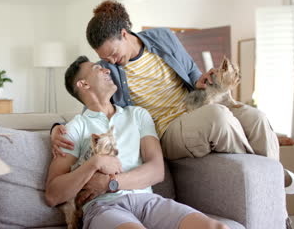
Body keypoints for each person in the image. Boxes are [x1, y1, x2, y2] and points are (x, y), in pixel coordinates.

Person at [51, 0, 294, 195]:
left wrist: (201, 82)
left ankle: (272, 182)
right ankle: (272, 176)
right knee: (217, 116)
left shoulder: (163, 37)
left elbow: (192, 74)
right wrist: (57, 128)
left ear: (125, 34)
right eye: (104, 58)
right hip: (167, 130)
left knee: (256, 117)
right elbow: (93, 104)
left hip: (196, 106)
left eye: (113, 53)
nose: (111, 61)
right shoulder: (110, 72)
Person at [44, 56, 229, 229]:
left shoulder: (138, 115)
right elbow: (53, 195)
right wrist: (95, 163)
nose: (107, 70)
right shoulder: (74, 128)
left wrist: (111, 182)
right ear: (84, 84)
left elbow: (157, 170)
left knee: (217, 227)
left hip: (147, 201)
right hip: (104, 208)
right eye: (97, 69)